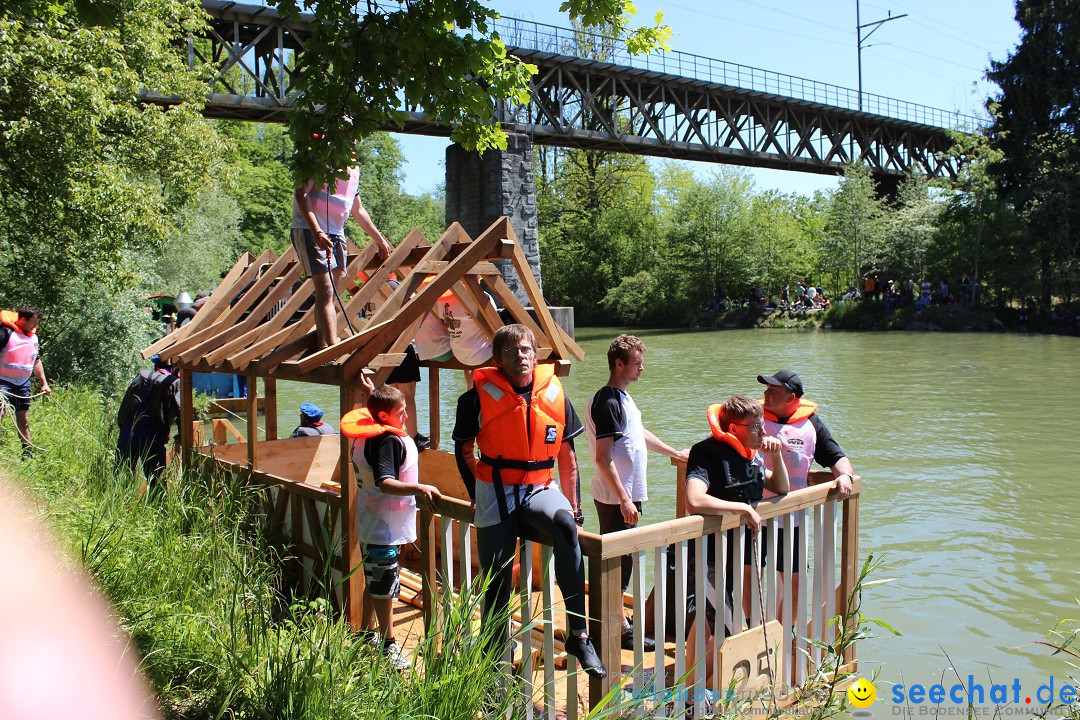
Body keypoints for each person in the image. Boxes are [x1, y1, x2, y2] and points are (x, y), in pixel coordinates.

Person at [452, 324, 606, 678]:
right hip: (495, 488)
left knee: (566, 526)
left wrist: (576, 507)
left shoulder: (555, 393)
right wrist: (476, 492)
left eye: (525, 350)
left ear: (535, 356)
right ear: (497, 359)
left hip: (540, 485)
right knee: (496, 581)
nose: (519, 356)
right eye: (511, 351)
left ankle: (579, 635)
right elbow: (463, 450)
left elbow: (567, 456)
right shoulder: (474, 398)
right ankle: (493, 665)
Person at [586, 334, 687, 651]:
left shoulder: (622, 399)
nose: (642, 369)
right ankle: (614, 630)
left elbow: (637, 434)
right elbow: (603, 458)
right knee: (619, 562)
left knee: (624, 560)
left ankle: (615, 624)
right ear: (619, 364)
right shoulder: (608, 401)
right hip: (618, 498)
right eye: (637, 363)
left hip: (624, 496)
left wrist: (674, 452)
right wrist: (625, 499)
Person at [684, 395, 789, 684]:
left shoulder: (752, 454)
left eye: (762, 424)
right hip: (707, 555)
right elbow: (694, 499)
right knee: (725, 626)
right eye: (755, 426)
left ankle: (695, 688)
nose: (763, 432)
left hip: (738, 554)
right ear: (734, 428)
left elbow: (780, 486)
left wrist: (776, 456)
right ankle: (702, 693)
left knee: (711, 621)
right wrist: (742, 508)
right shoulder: (706, 452)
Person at [340, 384, 442, 671]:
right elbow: (386, 481)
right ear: (384, 415)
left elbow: (382, 411)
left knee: (375, 580)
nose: (407, 416)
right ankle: (389, 645)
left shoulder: (370, 432)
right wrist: (420, 487)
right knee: (385, 586)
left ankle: (364, 633)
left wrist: (371, 389)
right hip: (383, 525)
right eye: (401, 412)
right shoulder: (386, 442)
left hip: (372, 521)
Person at [757, 370, 854, 617]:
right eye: (766, 389)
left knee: (795, 584)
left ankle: (781, 637)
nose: (766, 394)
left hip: (792, 519)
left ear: (790, 397)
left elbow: (836, 457)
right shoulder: (753, 417)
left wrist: (845, 476)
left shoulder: (811, 423)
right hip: (753, 513)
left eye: (773, 391)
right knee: (749, 578)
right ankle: (749, 634)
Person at [293, 160, 391, 348]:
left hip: (337, 232)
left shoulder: (354, 168)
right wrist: (317, 231)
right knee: (326, 290)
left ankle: (324, 345)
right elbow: (301, 193)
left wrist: (379, 239)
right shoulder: (318, 156)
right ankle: (332, 345)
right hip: (309, 229)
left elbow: (358, 209)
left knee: (330, 294)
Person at [116, 355, 180, 479]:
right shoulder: (173, 383)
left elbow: (125, 405)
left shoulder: (142, 375)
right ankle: (155, 499)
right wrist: (181, 437)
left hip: (129, 431)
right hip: (152, 437)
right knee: (156, 480)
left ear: (156, 366)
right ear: (173, 368)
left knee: (122, 476)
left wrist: (123, 426)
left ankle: (119, 498)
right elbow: (181, 412)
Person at [0, 306, 51, 457]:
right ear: (23, 319)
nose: (37, 326)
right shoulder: (5, 333)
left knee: (24, 419)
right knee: (0, 410)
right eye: (34, 323)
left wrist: (44, 383)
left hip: (22, 383)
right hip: (2, 381)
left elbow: (35, 360)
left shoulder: (33, 338)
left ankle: (27, 453)